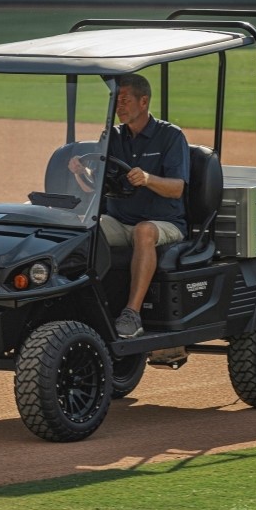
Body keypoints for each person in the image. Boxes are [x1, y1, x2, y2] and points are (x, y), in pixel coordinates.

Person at [70, 73, 189, 340]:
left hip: (165, 223)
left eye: (124, 100)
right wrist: (80, 172)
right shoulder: (112, 136)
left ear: (143, 101)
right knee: (82, 227)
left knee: (143, 232)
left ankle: (132, 314)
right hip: (119, 220)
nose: (118, 107)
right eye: (115, 101)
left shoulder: (170, 136)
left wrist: (147, 179)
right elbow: (95, 188)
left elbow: (177, 188)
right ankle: (82, 304)